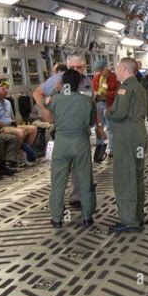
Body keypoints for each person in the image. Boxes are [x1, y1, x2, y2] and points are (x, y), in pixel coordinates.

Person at [33, 54, 105, 207]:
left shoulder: (86, 82)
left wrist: (99, 128)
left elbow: (93, 106)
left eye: (79, 67)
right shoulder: (57, 80)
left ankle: (77, 198)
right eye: (73, 67)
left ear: (84, 67)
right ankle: (71, 209)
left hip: (81, 132)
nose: (76, 70)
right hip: (62, 131)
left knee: (82, 170)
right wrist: (45, 111)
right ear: (67, 67)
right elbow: (37, 93)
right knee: (61, 171)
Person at [45, 69, 97, 229]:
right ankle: (87, 216)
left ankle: (57, 218)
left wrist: (56, 89)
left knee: (58, 180)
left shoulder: (55, 100)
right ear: (79, 83)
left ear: (62, 83)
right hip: (81, 143)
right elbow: (91, 122)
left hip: (61, 143)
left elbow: (48, 108)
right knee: (85, 179)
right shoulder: (87, 101)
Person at [106, 57, 148, 233]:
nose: (116, 71)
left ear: (124, 68)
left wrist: (108, 113)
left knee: (125, 178)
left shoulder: (125, 88)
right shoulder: (140, 87)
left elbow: (120, 113)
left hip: (127, 136)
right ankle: (137, 216)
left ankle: (129, 220)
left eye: (117, 67)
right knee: (137, 175)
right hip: (139, 134)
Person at [0, 82, 38, 160]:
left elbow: (12, 117)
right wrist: (9, 126)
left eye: (6, 89)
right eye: (3, 89)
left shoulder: (8, 102)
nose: (6, 91)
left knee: (33, 129)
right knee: (20, 132)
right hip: (1, 128)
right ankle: (15, 156)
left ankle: (26, 150)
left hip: (11, 126)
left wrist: (15, 124)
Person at [92, 57, 119, 156]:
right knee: (98, 127)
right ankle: (100, 147)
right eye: (98, 70)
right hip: (98, 104)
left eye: (101, 70)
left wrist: (107, 94)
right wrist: (95, 94)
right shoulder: (96, 77)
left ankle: (112, 149)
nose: (100, 72)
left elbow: (118, 92)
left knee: (111, 127)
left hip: (109, 105)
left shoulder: (114, 77)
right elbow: (93, 89)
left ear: (106, 68)